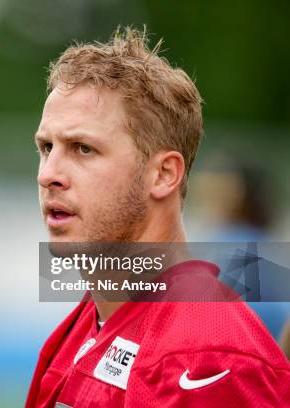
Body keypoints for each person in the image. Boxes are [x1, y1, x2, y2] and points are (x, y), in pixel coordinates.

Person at [26, 26, 290, 407]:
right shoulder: (92, 316)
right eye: (46, 147)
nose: (48, 173)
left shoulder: (207, 361)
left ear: (164, 174)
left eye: (83, 148)